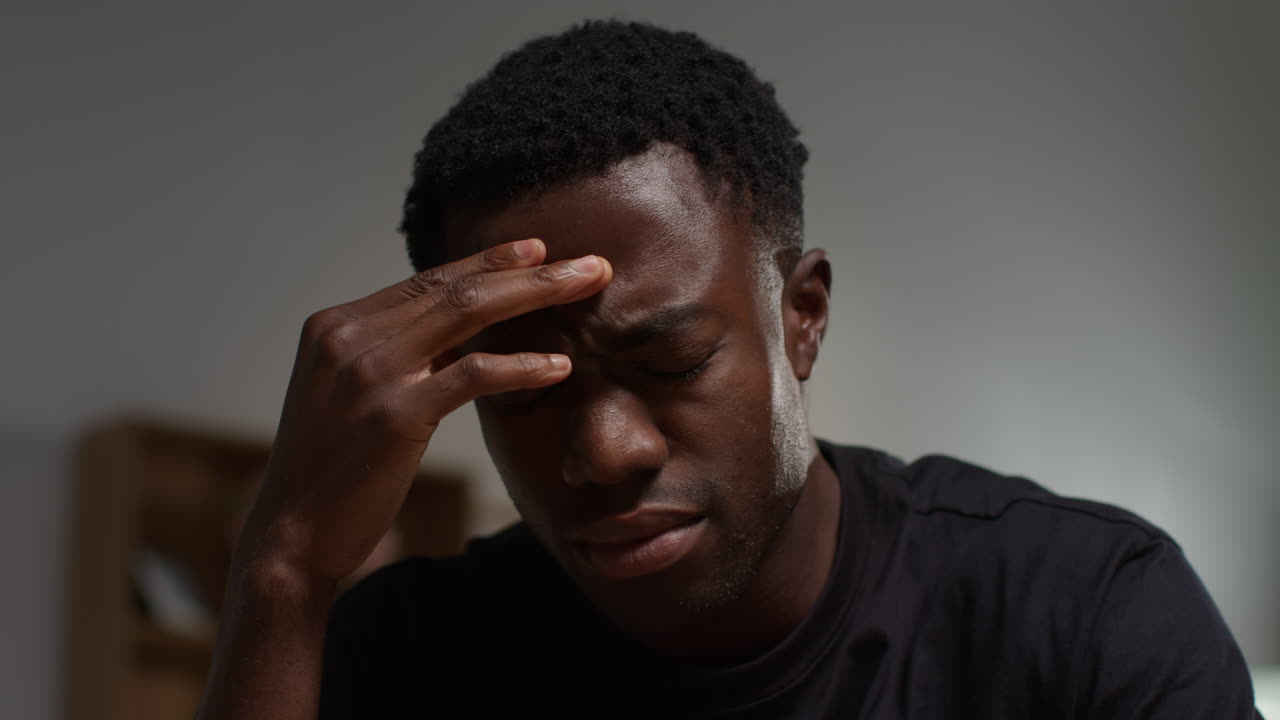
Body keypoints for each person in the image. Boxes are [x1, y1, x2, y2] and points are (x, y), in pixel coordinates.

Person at [196, 20, 1262, 719]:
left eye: (669, 359)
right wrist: (282, 572)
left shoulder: (1077, 614)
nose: (605, 451)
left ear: (800, 319)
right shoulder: (417, 659)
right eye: (529, 384)